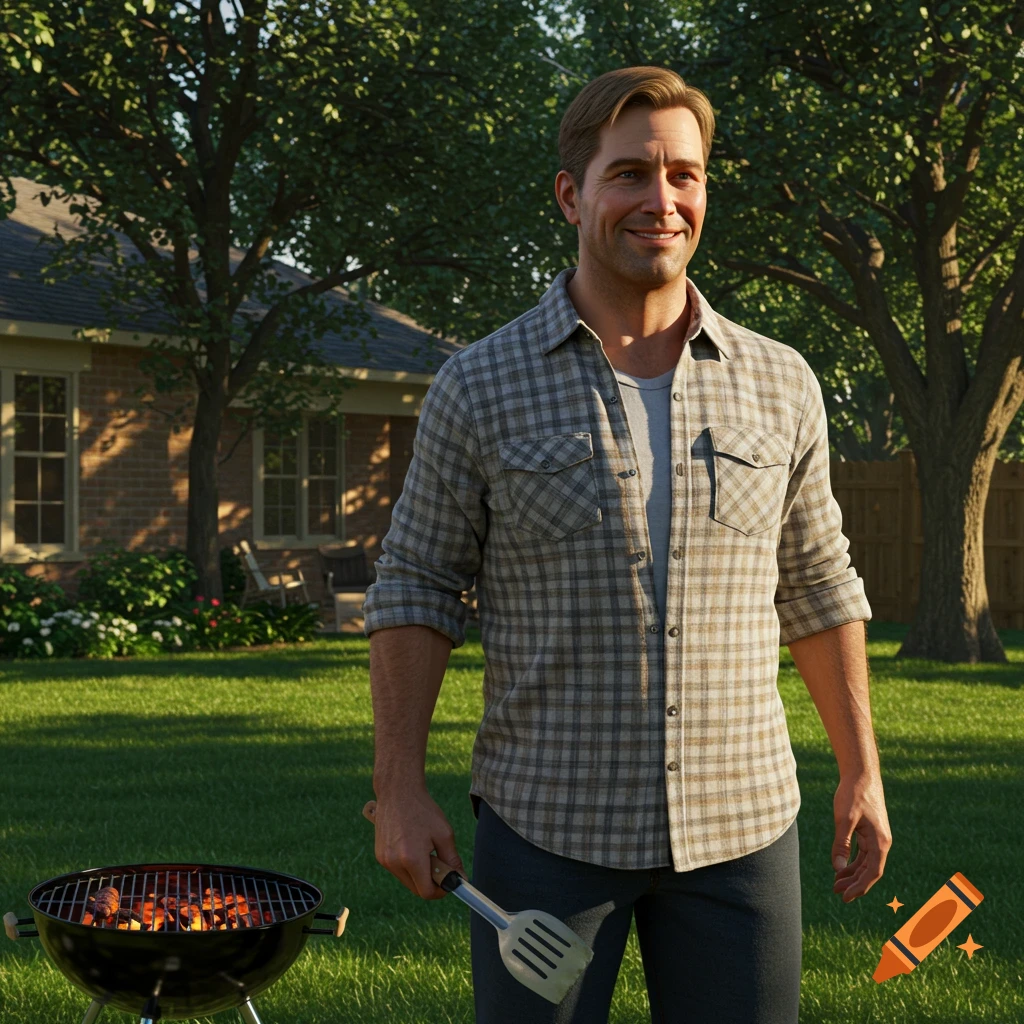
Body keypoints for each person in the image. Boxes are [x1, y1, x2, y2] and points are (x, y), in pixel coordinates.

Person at [362, 65, 892, 1024]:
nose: (662, 201)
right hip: (545, 833)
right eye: (630, 175)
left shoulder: (780, 383)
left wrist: (861, 766)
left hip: (743, 830)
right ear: (571, 194)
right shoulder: (479, 386)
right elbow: (416, 586)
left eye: (684, 175)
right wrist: (397, 788)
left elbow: (817, 582)